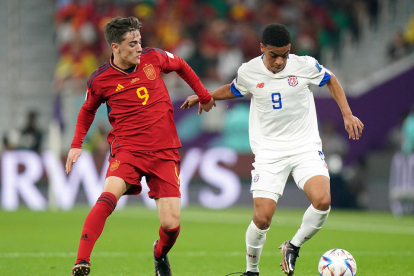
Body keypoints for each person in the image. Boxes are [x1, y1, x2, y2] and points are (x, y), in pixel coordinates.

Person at [181, 23, 364, 276]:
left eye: (285, 54)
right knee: (263, 218)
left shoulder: (305, 65)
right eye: (273, 55)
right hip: (269, 152)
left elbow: (330, 79)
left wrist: (347, 114)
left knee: (322, 201)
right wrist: (205, 96)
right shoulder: (249, 71)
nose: (279, 61)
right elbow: (234, 89)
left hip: (305, 146)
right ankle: (252, 271)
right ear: (262, 49)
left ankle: (293, 246)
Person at [65, 16, 215, 276]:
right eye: (132, 44)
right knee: (107, 197)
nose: (138, 48)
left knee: (171, 225)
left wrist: (203, 95)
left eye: (139, 42)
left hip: (164, 151)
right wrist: (76, 144)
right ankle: (82, 261)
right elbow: (87, 111)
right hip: (128, 151)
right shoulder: (100, 79)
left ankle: (159, 253)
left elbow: (181, 65)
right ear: (115, 47)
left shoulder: (153, 58)